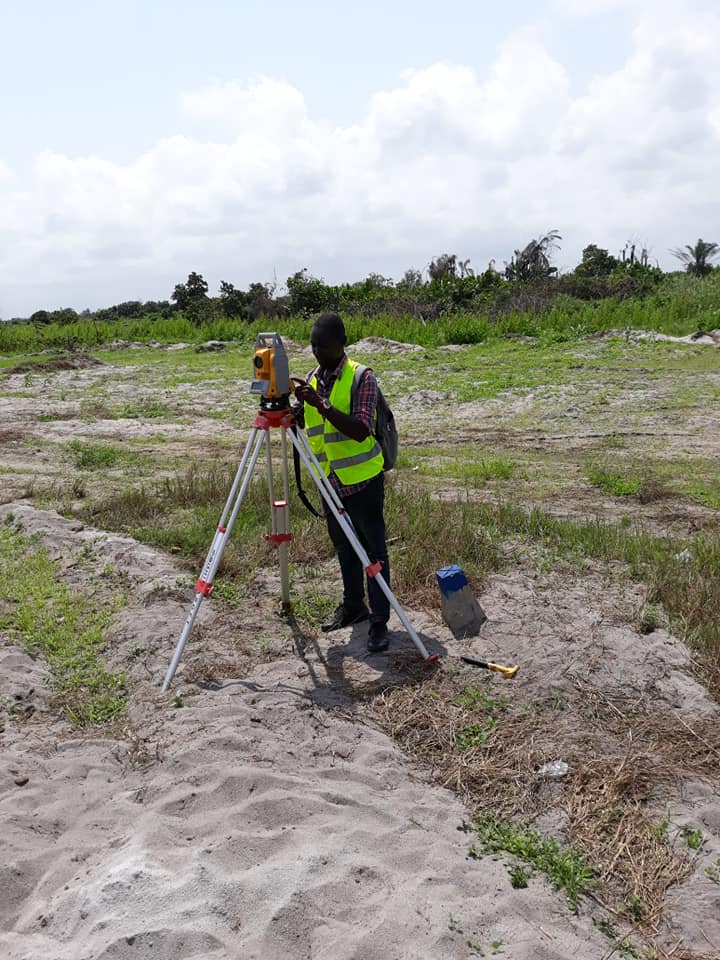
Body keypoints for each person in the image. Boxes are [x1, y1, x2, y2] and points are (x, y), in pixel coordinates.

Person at [294, 313, 391, 654]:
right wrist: (298, 415)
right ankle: (354, 607)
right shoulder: (312, 378)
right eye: (312, 345)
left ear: (341, 344)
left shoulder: (362, 377)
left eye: (322, 345)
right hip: (330, 481)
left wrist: (319, 404)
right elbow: (315, 429)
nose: (316, 351)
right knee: (344, 547)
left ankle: (379, 621)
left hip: (362, 480)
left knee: (373, 551)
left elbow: (361, 428)